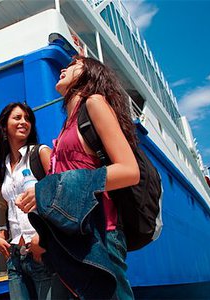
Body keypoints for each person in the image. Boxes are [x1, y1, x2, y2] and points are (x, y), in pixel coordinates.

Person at [19, 56, 140, 299]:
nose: (64, 67)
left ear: (91, 73)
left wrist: (45, 191)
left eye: (75, 63)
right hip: (73, 238)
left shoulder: (94, 103)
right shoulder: (67, 125)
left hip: (101, 233)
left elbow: (129, 171)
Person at [0, 102, 70, 299]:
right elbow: (12, 207)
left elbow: (65, 194)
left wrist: (45, 238)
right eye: (17, 118)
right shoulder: (4, 166)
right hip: (15, 256)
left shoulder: (40, 153)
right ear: (3, 126)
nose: (23, 122)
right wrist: (0, 234)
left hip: (42, 252)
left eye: (27, 119)